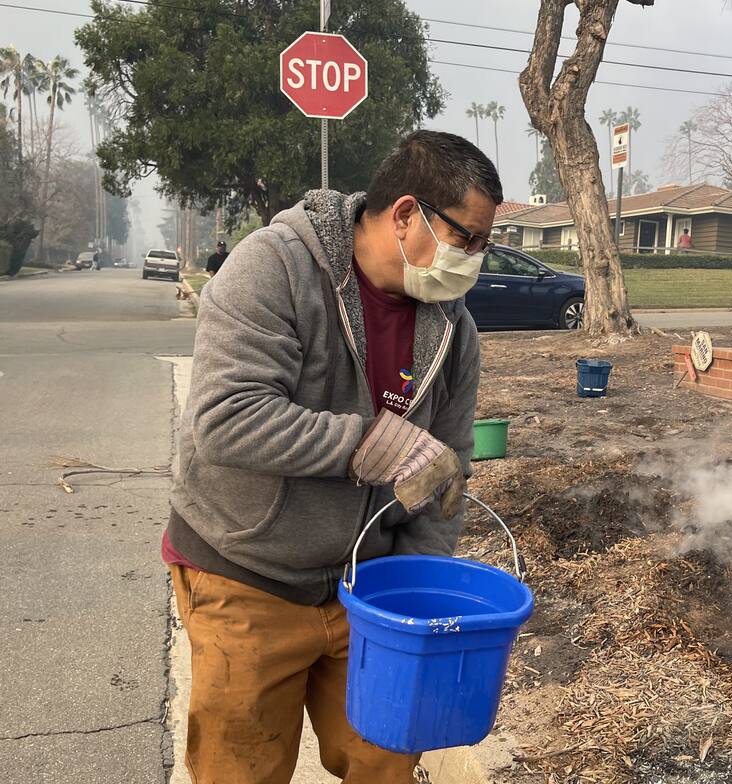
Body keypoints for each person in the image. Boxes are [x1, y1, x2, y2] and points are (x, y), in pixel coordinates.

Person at [164, 130, 502, 784]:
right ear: (406, 215)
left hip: (368, 594)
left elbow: (447, 470)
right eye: (466, 239)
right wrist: (371, 444)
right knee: (242, 771)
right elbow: (224, 418)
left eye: (486, 244)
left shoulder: (453, 329)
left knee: (386, 762)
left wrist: (416, 591)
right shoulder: (276, 267)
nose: (475, 260)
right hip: (246, 574)